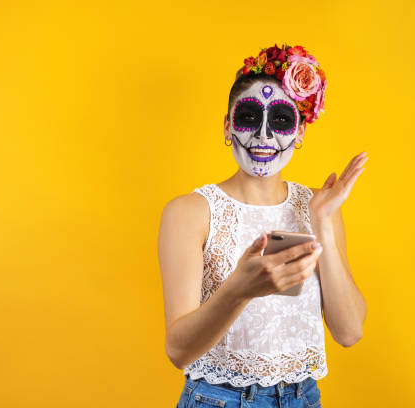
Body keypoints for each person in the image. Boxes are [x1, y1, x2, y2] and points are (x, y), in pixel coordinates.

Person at [158, 43, 368, 408]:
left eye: (282, 120)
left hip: (303, 398)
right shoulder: (189, 213)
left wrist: (322, 223)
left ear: (300, 132)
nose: (264, 137)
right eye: (250, 117)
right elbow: (178, 351)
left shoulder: (320, 206)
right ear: (227, 126)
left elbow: (349, 332)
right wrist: (237, 290)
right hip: (218, 400)